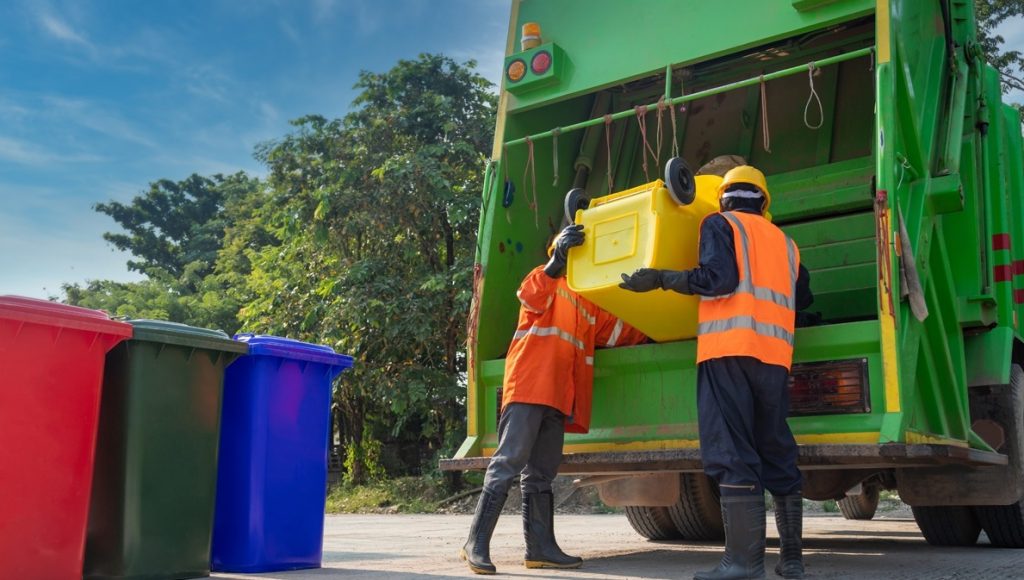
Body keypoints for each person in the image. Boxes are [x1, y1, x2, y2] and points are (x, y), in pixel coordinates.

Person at [620, 165, 812, 580]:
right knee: (776, 447)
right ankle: (792, 560)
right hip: (774, 357)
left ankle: (743, 563)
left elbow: (718, 279)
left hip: (728, 351)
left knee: (732, 451)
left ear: (723, 197)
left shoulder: (719, 224)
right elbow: (805, 295)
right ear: (764, 202)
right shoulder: (786, 244)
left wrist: (661, 278)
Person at [461, 223, 648, 575]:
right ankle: (476, 543)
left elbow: (624, 331)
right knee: (509, 462)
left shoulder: (588, 303)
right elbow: (530, 294)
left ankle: (541, 549)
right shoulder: (544, 281)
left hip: (559, 396)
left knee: (541, 473)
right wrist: (555, 262)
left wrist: (648, 295)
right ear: (559, 252)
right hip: (531, 387)